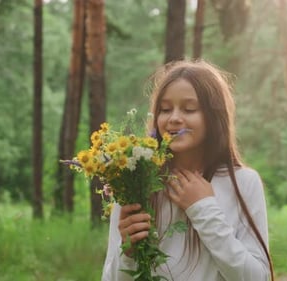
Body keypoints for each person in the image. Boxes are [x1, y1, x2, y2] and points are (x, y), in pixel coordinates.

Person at [102, 60, 274, 281]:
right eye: (165, 109)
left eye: (189, 109)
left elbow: (258, 278)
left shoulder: (243, 182)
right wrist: (127, 253)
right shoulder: (133, 183)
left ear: (213, 117)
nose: (174, 118)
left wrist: (203, 209)